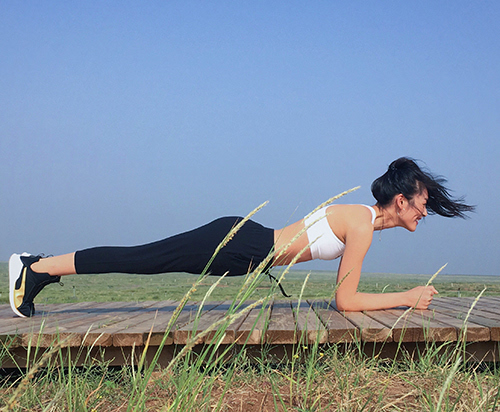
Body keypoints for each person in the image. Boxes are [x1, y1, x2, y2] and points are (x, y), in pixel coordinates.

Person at [9, 157, 474, 318]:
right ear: (400, 201)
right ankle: (37, 267)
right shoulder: (360, 224)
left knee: (145, 258)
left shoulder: (361, 219)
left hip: (246, 248)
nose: (425, 209)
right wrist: (407, 297)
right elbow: (345, 302)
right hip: (242, 245)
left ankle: (40, 266)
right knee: (142, 258)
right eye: (423, 201)